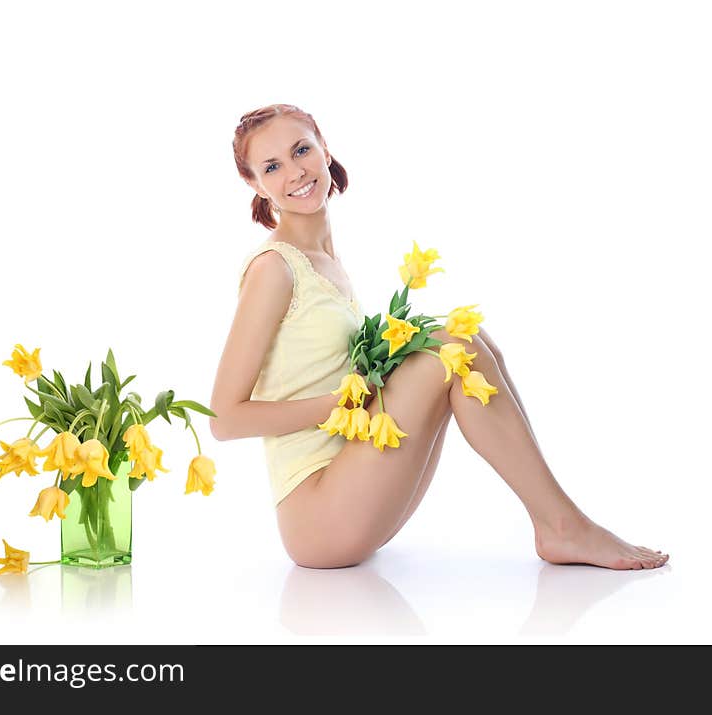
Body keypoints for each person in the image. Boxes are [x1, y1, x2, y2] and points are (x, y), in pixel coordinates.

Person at [209, 103, 669, 571]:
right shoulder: (274, 270)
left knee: (464, 337)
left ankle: (560, 524)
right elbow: (224, 419)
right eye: (272, 166)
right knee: (454, 345)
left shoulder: (325, 261)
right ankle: (562, 526)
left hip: (356, 488)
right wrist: (338, 406)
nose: (295, 171)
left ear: (324, 148)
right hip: (318, 517)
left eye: (301, 150)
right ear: (254, 184)